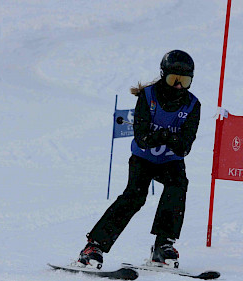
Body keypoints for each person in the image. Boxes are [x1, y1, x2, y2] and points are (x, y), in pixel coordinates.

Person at [77, 50, 201, 269]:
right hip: (142, 159)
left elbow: (185, 147)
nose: (178, 86)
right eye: (174, 79)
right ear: (164, 76)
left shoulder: (192, 105)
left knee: (178, 185)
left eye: (185, 81)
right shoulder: (148, 96)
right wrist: (170, 137)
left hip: (171, 161)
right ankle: (94, 246)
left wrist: (163, 137)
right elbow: (142, 138)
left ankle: (163, 246)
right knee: (135, 196)